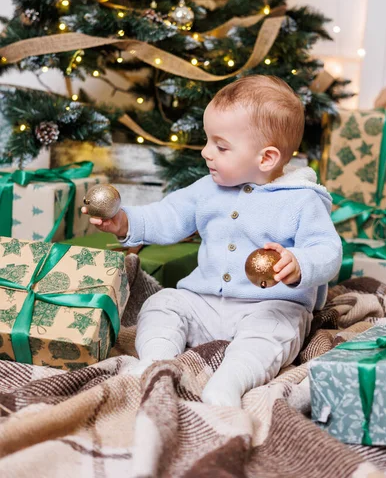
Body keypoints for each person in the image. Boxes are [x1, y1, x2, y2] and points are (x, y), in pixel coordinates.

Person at [82, 75, 342, 407]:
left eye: (220, 146)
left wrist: (300, 263)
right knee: (163, 303)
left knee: (274, 331)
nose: (206, 152)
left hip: (269, 305)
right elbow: (169, 215)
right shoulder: (208, 189)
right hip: (203, 302)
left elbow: (328, 250)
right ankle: (155, 361)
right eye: (207, 140)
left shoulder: (301, 200)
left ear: (266, 158)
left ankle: (230, 382)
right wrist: (125, 221)